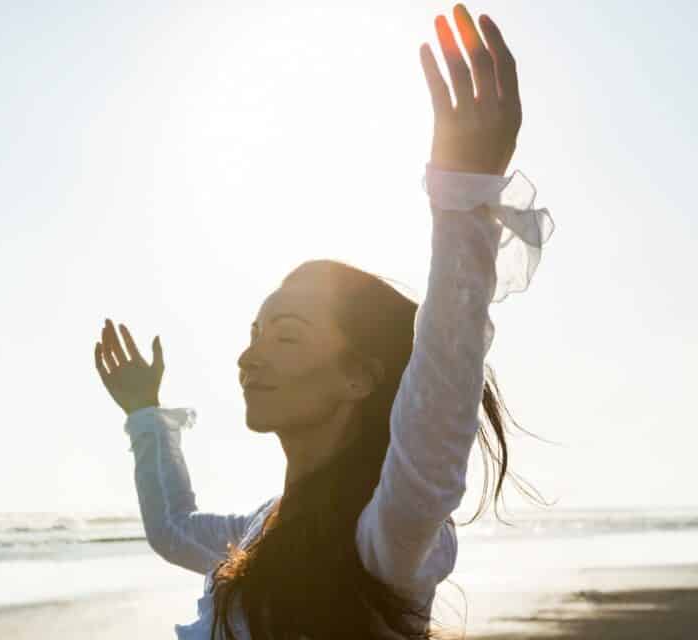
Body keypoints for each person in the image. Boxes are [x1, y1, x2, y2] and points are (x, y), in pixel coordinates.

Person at [94, 4, 555, 638]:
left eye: (286, 336)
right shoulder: (262, 526)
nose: (249, 358)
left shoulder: (389, 531)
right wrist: (145, 415)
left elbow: (440, 391)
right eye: (254, 335)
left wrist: (464, 198)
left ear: (357, 377)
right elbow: (172, 531)